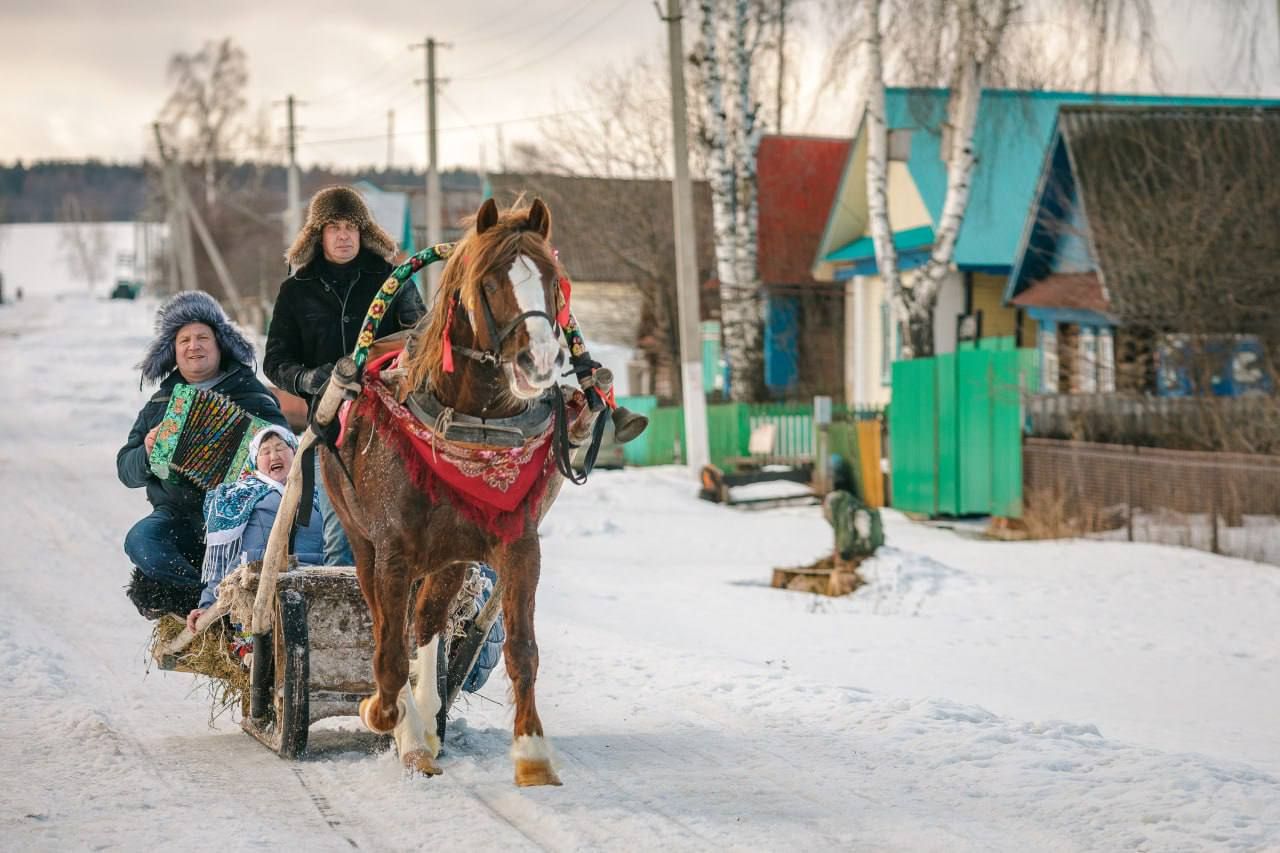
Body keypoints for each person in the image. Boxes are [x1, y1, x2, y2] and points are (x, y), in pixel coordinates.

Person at [264, 185, 423, 565]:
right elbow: (275, 362)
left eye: (351, 226)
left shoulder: (392, 280)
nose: (343, 235)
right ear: (317, 234)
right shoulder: (295, 291)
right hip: (331, 430)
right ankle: (344, 622)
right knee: (345, 541)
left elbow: (424, 339)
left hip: (395, 426)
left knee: (412, 534)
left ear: (363, 231)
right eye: (333, 227)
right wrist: (313, 379)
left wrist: (393, 367)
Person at [118, 291, 287, 619]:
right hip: (179, 515)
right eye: (184, 340)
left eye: (202, 338)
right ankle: (204, 600)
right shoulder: (161, 403)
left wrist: (255, 448)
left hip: (240, 517)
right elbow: (126, 469)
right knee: (141, 541)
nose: (193, 346)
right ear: (174, 351)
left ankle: (216, 601)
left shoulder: (250, 393)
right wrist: (148, 453)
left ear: (219, 343)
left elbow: (283, 445)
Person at [186, 425, 324, 634]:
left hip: (313, 583)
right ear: (255, 462)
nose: (274, 455)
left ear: (294, 452)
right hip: (258, 587)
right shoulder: (239, 496)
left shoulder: (318, 494)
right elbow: (223, 556)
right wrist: (206, 605)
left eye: (280, 447)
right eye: (265, 451)